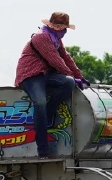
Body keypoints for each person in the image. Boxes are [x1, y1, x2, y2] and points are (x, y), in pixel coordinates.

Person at [14, 12, 86, 157]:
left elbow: (65, 57)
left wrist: (79, 77)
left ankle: (48, 114)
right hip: (30, 75)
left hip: (46, 75)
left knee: (68, 83)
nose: (64, 32)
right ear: (55, 27)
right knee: (39, 102)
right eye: (63, 28)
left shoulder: (56, 39)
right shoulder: (41, 37)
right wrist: (70, 73)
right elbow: (55, 60)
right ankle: (42, 149)